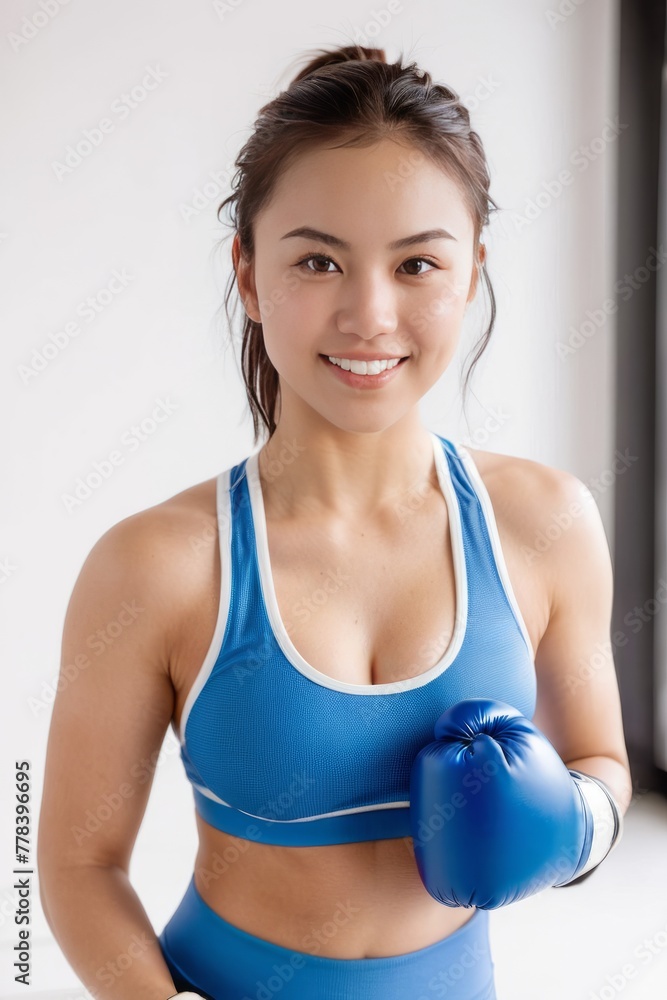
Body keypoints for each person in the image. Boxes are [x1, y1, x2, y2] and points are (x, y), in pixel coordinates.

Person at [37, 43, 632, 1000]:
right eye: (317, 259)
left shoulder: (546, 523)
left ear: (472, 271)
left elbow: (602, 760)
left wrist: (571, 827)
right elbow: (71, 865)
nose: (368, 314)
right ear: (247, 269)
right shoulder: (156, 565)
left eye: (416, 264)